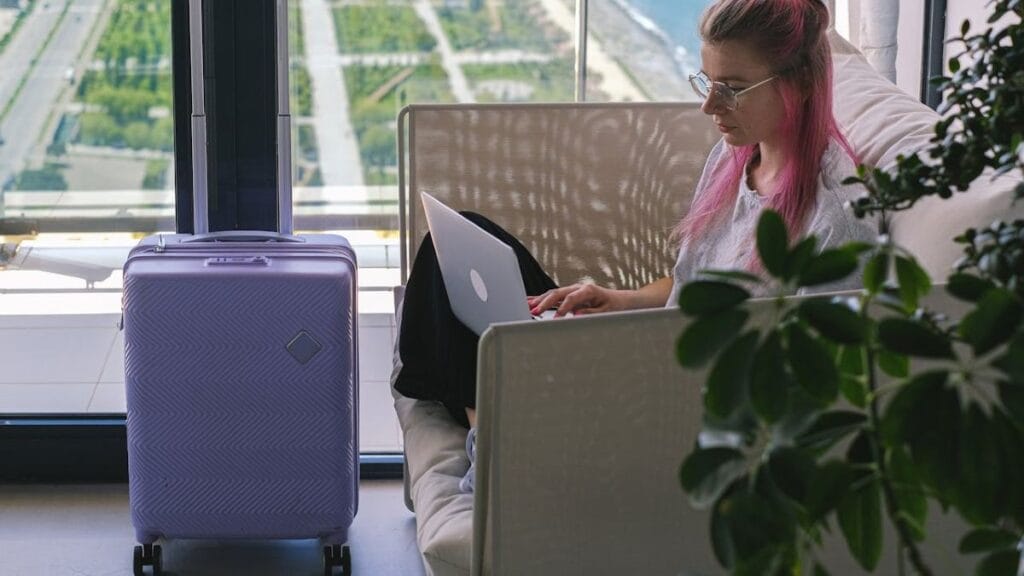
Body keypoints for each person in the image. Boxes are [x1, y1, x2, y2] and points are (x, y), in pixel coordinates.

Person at [393, 0, 877, 493]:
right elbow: (689, 282)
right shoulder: (736, 157)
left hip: (671, 406)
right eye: (706, 82)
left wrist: (627, 373)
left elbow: (807, 391)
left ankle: (495, 432)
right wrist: (619, 301)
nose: (709, 106)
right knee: (450, 250)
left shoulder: (835, 219)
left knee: (460, 344)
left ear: (796, 84)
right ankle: (493, 418)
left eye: (730, 89)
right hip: (647, 358)